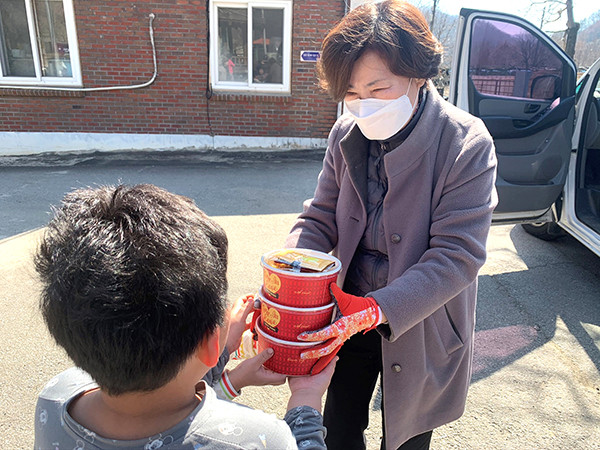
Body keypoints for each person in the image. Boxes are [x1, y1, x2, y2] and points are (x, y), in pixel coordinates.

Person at [284, 1, 498, 449]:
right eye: (351, 94)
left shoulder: (465, 143)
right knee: (339, 426)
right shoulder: (345, 134)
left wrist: (379, 308)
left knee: (407, 436)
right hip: (345, 310)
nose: (363, 107)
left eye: (378, 89)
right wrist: (291, 274)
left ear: (418, 75)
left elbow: (458, 254)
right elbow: (321, 215)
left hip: (421, 318)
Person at [34, 184, 337, 449]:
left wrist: (224, 356)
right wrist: (305, 400)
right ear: (209, 342)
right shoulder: (260, 439)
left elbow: (165, 402)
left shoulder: (56, 398)